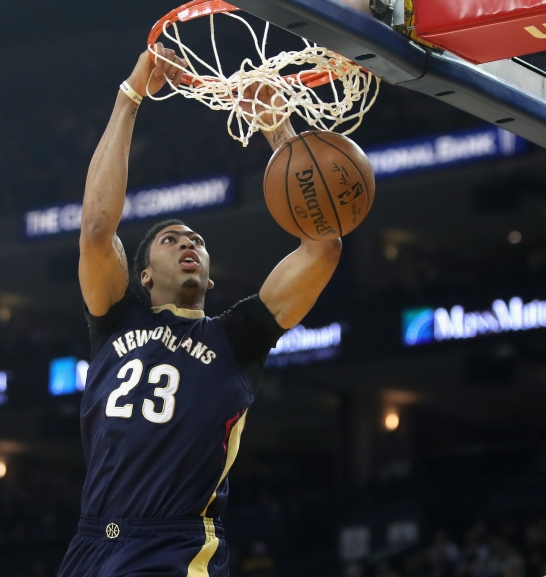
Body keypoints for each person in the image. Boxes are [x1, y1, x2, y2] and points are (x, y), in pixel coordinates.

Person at [56, 44, 343, 577]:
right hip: (90, 543)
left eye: (197, 240)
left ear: (209, 275)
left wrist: (276, 126)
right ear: (143, 274)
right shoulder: (115, 318)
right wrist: (130, 95)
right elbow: (96, 230)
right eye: (170, 239)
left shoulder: (238, 338)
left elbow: (322, 247)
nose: (188, 242)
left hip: (173, 547)